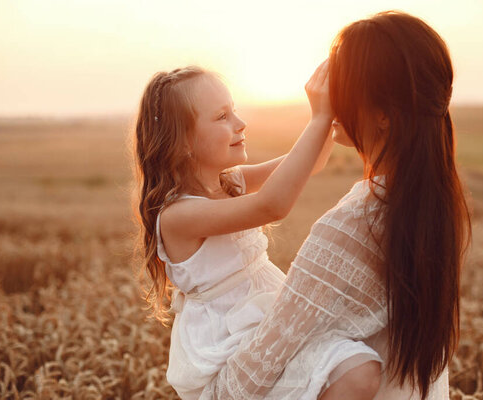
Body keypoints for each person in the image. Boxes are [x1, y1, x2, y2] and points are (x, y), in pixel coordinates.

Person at [201, 11, 472, 400]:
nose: (329, 94)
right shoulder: (433, 212)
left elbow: (244, 383)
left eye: (342, 83)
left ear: (382, 116)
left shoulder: (352, 227)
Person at [132, 62, 383, 399]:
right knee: (356, 371)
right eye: (222, 117)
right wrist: (319, 118)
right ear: (183, 143)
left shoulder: (231, 181)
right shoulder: (179, 215)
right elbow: (272, 205)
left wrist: (333, 105)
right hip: (228, 345)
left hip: (267, 318)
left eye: (234, 111)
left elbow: (313, 162)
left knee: (361, 363)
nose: (241, 123)